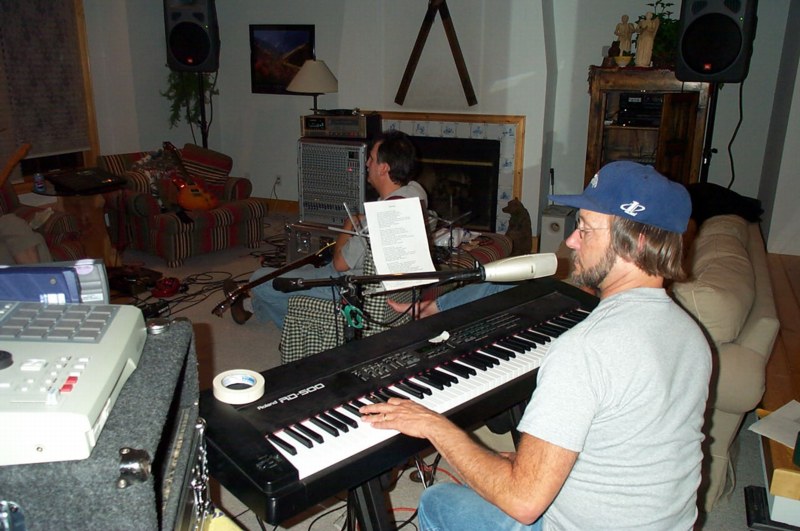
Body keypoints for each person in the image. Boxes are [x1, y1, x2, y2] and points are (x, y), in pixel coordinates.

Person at [362, 161, 712, 530]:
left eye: (585, 229)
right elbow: (631, 443)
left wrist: (434, 425)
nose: (571, 241)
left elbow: (523, 503)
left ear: (636, 243)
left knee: (437, 501)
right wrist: (527, 464)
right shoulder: (691, 335)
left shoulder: (584, 349)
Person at [225, 130, 427, 327]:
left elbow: (339, 264)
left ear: (383, 168)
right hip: (381, 285)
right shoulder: (415, 194)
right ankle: (249, 307)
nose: (366, 163)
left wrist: (349, 223)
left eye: (372, 159)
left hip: (346, 287)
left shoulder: (375, 222)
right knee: (299, 270)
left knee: (260, 280)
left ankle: (296, 323)